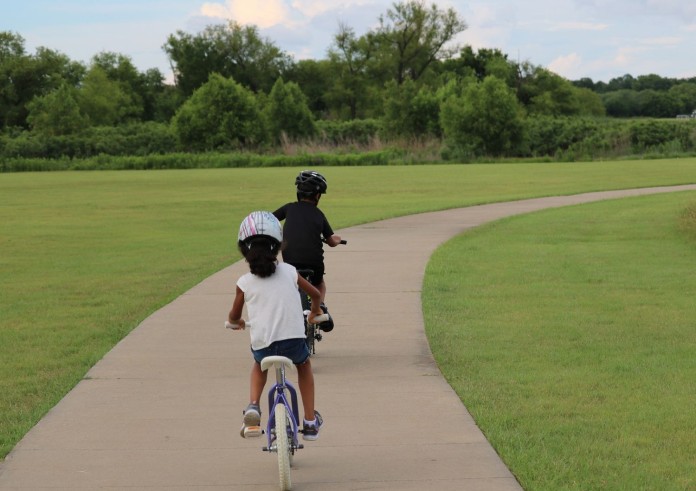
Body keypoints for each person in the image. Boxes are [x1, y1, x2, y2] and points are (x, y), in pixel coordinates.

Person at [227, 210, 324, 441]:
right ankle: (309, 421)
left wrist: (236, 322)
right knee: (304, 365)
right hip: (293, 343)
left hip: (264, 346)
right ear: (278, 246)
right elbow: (316, 294)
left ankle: (253, 407)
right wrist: (314, 311)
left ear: (244, 249)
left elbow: (233, 315)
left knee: (258, 364)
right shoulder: (290, 272)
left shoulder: (244, 282)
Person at [273, 170, 342, 331]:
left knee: (292, 281)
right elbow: (331, 241)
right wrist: (337, 240)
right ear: (317, 196)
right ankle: (320, 308)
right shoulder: (319, 214)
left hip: (290, 259)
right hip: (314, 261)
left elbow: (270, 218)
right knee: (319, 283)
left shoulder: (289, 208)